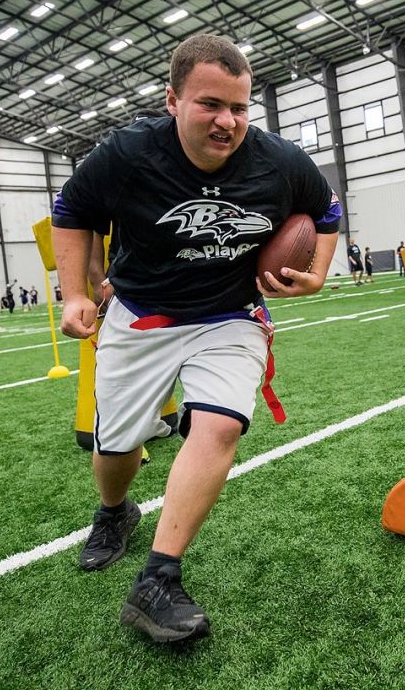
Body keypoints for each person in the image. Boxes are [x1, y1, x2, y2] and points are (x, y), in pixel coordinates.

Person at [51, 34, 340, 645]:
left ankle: (158, 579)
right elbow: (72, 211)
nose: (227, 121)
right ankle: (114, 513)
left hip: (228, 314)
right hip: (142, 315)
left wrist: (315, 273)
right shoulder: (126, 154)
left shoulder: (280, 161)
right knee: (117, 448)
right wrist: (74, 292)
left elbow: (326, 212)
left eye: (239, 107)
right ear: (172, 100)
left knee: (221, 425)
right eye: (210, 104)